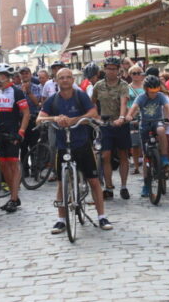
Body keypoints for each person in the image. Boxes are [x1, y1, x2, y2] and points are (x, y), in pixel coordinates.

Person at [37, 68, 113, 232]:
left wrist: (74, 120)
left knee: (93, 181)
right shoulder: (53, 100)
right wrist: (54, 118)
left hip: (82, 143)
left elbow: (93, 112)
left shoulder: (80, 96)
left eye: (68, 77)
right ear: (56, 81)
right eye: (61, 78)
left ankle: (102, 217)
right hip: (62, 145)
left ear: (73, 80)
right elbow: (39, 118)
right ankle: (61, 220)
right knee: (61, 184)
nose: (65, 80)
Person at [126, 75, 169, 196]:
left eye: (156, 90)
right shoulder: (141, 98)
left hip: (157, 121)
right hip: (144, 124)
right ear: (146, 89)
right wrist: (129, 116)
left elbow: (167, 107)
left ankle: (164, 157)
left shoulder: (161, 96)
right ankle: (146, 184)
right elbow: (133, 108)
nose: (154, 93)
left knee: (160, 130)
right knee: (145, 158)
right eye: (151, 91)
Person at [91, 56, 132, 200]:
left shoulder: (123, 85)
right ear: (104, 69)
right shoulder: (99, 85)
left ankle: (124, 186)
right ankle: (108, 187)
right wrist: (95, 117)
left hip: (120, 123)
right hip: (105, 124)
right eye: (108, 68)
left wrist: (121, 118)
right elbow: (92, 103)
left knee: (123, 155)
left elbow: (123, 102)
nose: (111, 71)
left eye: (114, 69)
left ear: (118, 69)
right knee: (105, 155)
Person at [0, 63, 30, 212]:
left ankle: (14, 198)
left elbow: (26, 113)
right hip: (0, 133)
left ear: (5, 77)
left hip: (13, 132)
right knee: (3, 166)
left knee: (13, 166)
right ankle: (13, 196)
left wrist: (21, 131)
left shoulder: (17, 92)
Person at [17, 66, 42, 174]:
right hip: (21, 120)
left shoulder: (37, 87)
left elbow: (37, 103)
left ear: (30, 74)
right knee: (23, 146)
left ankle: (35, 169)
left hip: (32, 119)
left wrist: (28, 92)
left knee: (34, 145)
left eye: (26, 73)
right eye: (22, 74)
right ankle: (24, 170)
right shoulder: (16, 88)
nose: (24, 75)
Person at [127, 64, 145, 175]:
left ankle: (147, 163)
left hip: (145, 115)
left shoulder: (146, 86)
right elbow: (125, 102)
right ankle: (136, 166)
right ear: (130, 75)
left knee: (145, 141)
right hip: (132, 116)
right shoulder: (127, 87)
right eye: (134, 73)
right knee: (134, 144)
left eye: (139, 73)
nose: (137, 75)